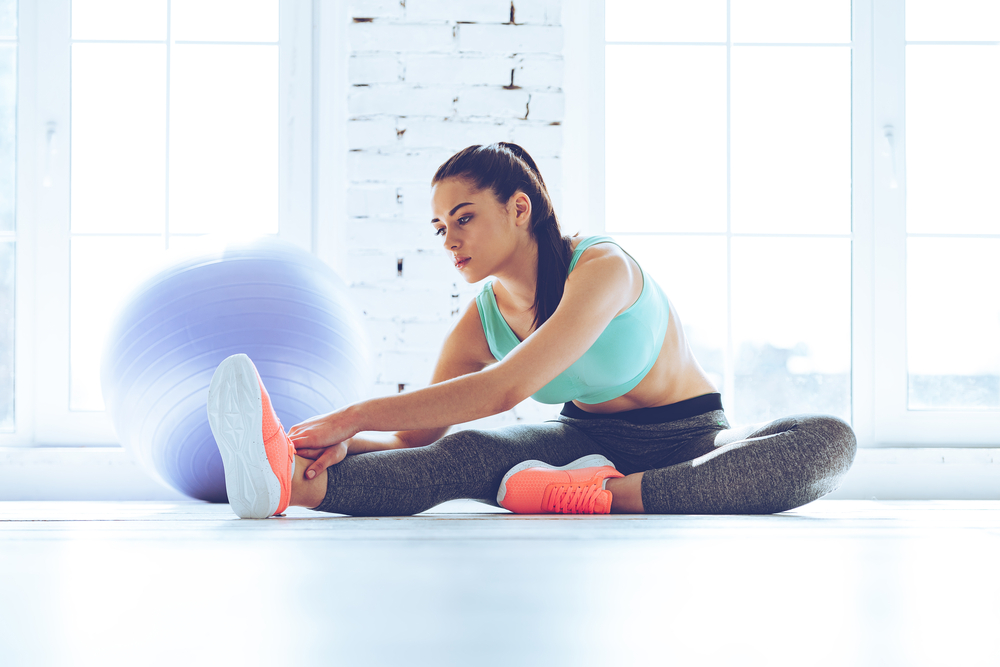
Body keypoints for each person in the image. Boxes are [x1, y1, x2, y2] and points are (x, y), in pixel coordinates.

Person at [206, 142, 857, 520]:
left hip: (692, 438)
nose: (449, 239)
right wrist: (330, 445)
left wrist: (349, 414)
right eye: (440, 227)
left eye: (464, 217)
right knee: (465, 455)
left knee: (827, 438)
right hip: (583, 442)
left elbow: (506, 387)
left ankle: (602, 496)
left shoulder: (601, 267)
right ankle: (289, 481)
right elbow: (415, 440)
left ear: (519, 207)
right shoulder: (481, 321)